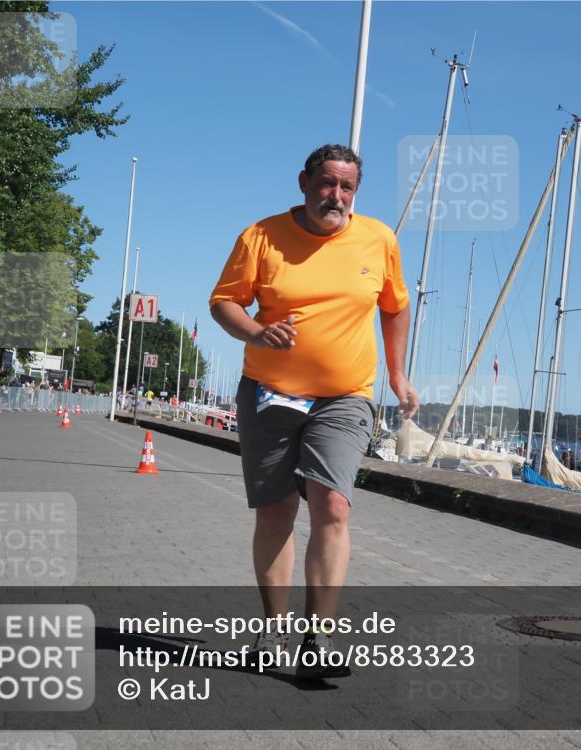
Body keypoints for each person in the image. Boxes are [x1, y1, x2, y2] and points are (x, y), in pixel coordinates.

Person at [210, 144, 418, 678]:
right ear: (304, 182)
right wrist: (257, 331)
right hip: (270, 392)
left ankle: (318, 640)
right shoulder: (262, 236)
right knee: (276, 510)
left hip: (345, 396)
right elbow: (224, 302)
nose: (336, 196)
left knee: (334, 507)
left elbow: (395, 307)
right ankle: (272, 629)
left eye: (347, 187)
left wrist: (397, 376)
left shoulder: (379, 239)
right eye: (327, 183)